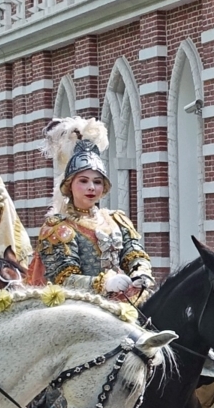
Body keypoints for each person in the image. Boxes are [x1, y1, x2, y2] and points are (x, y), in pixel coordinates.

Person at [28, 117, 153, 300]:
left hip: (127, 301)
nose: (91, 188)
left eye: (97, 182)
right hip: (82, 308)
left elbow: (134, 252)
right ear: (69, 185)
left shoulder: (117, 220)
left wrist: (140, 273)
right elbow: (62, 280)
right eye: (83, 181)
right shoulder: (59, 228)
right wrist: (105, 284)